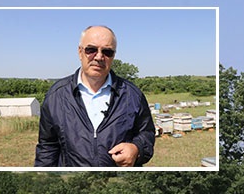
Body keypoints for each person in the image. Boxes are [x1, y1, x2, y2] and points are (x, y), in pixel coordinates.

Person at [34, 25, 155, 167]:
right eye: (91, 50)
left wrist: (137, 149)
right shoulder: (56, 96)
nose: (99, 57)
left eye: (107, 52)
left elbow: (147, 133)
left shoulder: (132, 95)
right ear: (80, 52)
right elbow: (47, 147)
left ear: (113, 56)